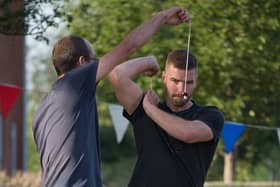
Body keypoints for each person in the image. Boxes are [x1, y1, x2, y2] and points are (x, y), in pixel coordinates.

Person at [32, 7, 189, 187]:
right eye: (94, 60)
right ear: (83, 62)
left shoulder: (41, 109)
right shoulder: (76, 82)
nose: (98, 65)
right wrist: (162, 17)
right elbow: (129, 46)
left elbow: (45, 171)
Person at [108, 50, 224, 187]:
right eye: (175, 81)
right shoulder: (145, 108)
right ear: (164, 78)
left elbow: (188, 134)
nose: (182, 89)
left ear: (196, 82)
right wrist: (149, 62)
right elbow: (116, 75)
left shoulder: (210, 115)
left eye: (189, 82)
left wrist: (150, 109)